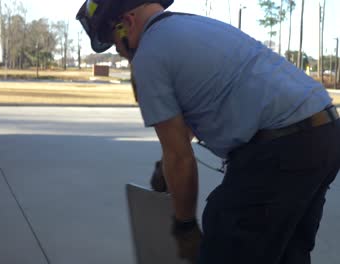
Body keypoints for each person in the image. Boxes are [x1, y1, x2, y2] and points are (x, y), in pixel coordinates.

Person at [76, 0, 340, 263]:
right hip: (325, 134)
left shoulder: (148, 55)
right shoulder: (197, 26)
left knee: (225, 241)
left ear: (127, 23)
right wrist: (165, 166)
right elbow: (195, 113)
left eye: (116, 41)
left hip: (280, 150)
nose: (122, 53)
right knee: (287, 253)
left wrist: (184, 226)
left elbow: (180, 158)